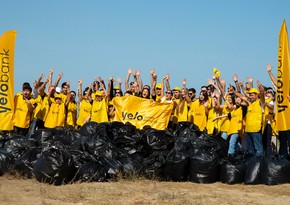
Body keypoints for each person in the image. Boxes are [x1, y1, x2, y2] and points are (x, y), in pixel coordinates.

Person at [230, 87, 263, 157]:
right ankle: (251, 164)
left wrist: (261, 89)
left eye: (252, 95)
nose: (250, 96)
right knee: (250, 150)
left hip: (256, 130)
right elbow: (241, 96)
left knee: (258, 149)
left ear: (257, 95)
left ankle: (259, 164)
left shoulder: (260, 102)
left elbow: (262, 95)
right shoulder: (249, 103)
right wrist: (234, 91)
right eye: (250, 95)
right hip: (248, 130)